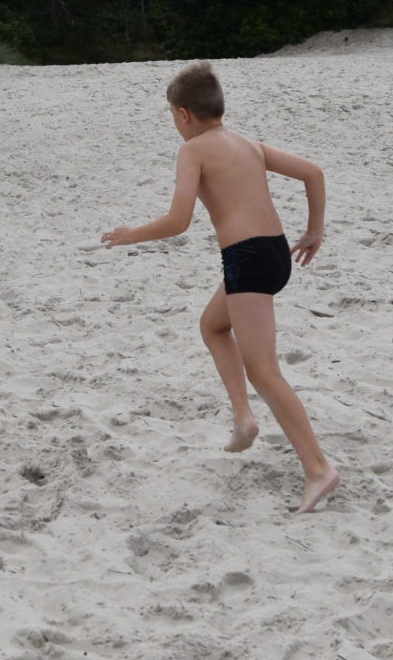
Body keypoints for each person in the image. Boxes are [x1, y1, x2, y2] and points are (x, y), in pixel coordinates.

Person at [100, 61, 338, 512]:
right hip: (273, 252)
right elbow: (314, 173)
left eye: (172, 115)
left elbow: (178, 221)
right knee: (212, 326)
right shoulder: (247, 143)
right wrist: (314, 231)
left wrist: (131, 235)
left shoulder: (193, 151)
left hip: (247, 260)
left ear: (183, 114)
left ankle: (318, 468)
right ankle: (243, 419)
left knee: (264, 372)